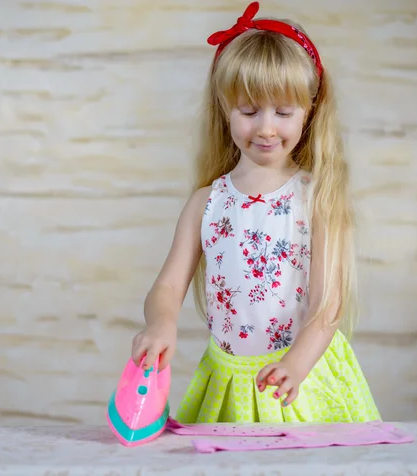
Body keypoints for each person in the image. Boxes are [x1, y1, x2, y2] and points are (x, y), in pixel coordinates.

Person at [130, 1, 381, 423]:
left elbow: (326, 304)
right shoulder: (206, 203)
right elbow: (167, 288)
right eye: (249, 111)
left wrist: (296, 364)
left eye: (284, 112)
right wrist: (161, 324)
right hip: (230, 382)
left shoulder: (316, 199)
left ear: (310, 111)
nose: (266, 127)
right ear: (225, 110)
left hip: (301, 378)